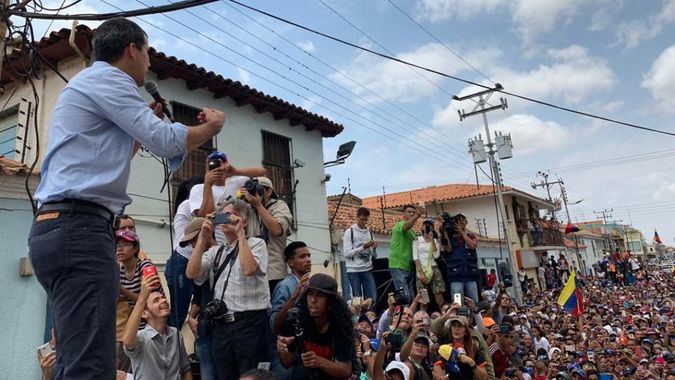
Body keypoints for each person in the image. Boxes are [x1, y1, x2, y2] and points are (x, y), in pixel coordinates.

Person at [28, 17, 225, 378]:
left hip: (59, 228)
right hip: (79, 229)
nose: (149, 62)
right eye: (147, 52)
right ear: (131, 49)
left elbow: (103, 161)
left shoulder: (90, 84)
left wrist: (136, 133)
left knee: (74, 357)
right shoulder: (110, 79)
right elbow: (166, 141)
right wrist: (212, 127)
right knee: (91, 364)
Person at [186, 199, 270, 379]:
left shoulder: (257, 244)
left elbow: (249, 269)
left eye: (229, 216)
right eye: (221, 217)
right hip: (222, 326)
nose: (224, 221)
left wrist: (240, 233)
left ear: (244, 220)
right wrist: (203, 236)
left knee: (251, 376)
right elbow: (192, 273)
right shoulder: (217, 251)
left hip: (250, 322)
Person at [276, 273, 355, 379]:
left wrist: (319, 361)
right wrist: (284, 349)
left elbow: (346, 370)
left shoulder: (341, 327)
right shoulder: (297, 321)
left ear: (330, 301)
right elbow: (286, 363)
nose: (313, 300)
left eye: (320, 295)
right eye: (310, 294)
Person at [123, 274, 192, 379]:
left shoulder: (176, 334)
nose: (164, 301)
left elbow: (186, 369)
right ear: (145, 313)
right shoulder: (141, 338)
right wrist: (142, 297)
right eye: (156, 300)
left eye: (163, 298)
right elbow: (127, 341)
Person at [189, 151, 266, 241]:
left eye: (222, 163)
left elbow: (262, 173)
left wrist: (236, 171)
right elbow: (204, 217)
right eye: (214, 164)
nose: (218, 168)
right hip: (212, 243)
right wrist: (208, 185)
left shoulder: (234, 183)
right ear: (207, 168)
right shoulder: (198, 189)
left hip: (234, 240)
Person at [269, 241, 312, 379]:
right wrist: (294, 296)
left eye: (309, 255)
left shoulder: (311, 284)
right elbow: (275, 325)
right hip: (286, 351)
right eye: (302, 256)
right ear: (290, 263)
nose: (308, 260)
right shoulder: (285, 286)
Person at [182, 217, 218, 380]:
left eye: (193, 240)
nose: (192, 245)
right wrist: (191, 316)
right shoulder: (197, 259)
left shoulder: (223, 253)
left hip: (224, 328)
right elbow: (198, 292)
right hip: (204, 327)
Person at [243, 176, 293, 294]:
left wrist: (259, 206)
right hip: (252, 272)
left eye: (258, 189)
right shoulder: (248, 209)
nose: (254, 193)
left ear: (269, 191)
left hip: (274, 272)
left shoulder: (279, 205)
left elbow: (277, 230)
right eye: (251, 190)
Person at [166, 176, 203, 329]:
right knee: (178, 315)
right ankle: (169, 350)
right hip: (182, 261)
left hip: (185, 261)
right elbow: (208, 213)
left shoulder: (184, 206)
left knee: (187, 309)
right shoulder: (188, 205)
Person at [342, 207, 378, 308]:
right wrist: (363, 247)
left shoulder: (369, 233)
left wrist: (374, 249)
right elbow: (347, 253)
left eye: (366, 219)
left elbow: (373, 254)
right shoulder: (350, 232)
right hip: (353, 270)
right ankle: (357, 319)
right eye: (362, 219)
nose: (364, 222)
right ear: (357, 217)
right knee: (356, 298)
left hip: (367, 268)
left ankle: (371, 318)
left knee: (372, 297)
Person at [441, 213, 480, 303]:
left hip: (470, 275)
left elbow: (472, 246)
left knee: (474, 301)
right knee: (457, 302)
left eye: (462, 222)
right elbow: (448, 249)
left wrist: (462, 232)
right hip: (456, 276)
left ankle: (475, 316)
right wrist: (445, 232)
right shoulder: (451, 238)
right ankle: (459, 316)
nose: (459, 224)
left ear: (466, 223)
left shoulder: (470, 236)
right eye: (458, 222)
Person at [390, 205, 422, 304]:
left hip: (409, 266)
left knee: (411, 296)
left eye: (413, 212)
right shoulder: (399, 225)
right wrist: (417, 216)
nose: (412, 213)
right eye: (409, 212)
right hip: (398, 265)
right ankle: (403, 317)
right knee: (404, 296)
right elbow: (405, 227)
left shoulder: (412, 231)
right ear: (403, 214)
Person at [413, 220, 446, 309]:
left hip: (433, 267)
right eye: (425, 224)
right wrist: (420, 272)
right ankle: (423, 317)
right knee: (424, 299)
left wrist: (432, 240)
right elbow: (415, 257)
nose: (427, 226)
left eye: (430, 225)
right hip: (421, 268)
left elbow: (436, 255)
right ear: (422, 227)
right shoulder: (417, 240)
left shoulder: (435, 241)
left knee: (439, 298)